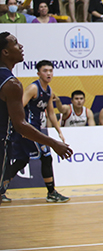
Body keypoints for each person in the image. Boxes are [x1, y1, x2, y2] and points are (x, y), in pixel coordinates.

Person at [0, 36, 72, 205]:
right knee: (45, 156)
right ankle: (51, 192)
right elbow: (20, 123)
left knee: (24, 160)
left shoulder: (49, 91)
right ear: (5, 52)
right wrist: (54, 143)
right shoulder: (15, 85)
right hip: (21, 131)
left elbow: (51, 113)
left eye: (50, 70)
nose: (21, 46)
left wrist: (58, 131)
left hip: (28, 131)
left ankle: (4, 186)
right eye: (16, 44)